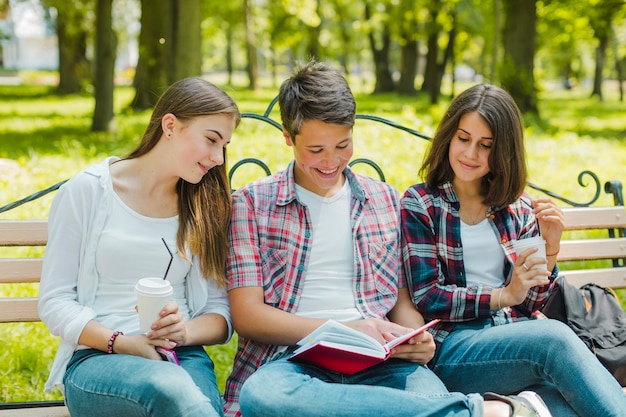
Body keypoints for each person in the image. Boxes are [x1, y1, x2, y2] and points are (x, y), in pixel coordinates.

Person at [222, 60, 552, 417]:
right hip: (292, 359)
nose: (331, 161)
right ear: (288, 137)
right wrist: (344, 329)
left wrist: (416, 339)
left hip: (382, 361)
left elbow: (401, 300)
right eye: (315, 150)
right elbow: (248, 315)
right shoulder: (253, 203)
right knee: (263, 395)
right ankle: (481, 413)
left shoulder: (382, 200)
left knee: (428, 394)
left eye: (343, 145)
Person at [401, 83, 626, 417]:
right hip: (453, 348)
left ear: (503, 150)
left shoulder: (516, 207)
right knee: (554, 339)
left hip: (515, 341)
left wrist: (549, 251)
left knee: (563, 404)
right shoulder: (421, 203)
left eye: (485, 145)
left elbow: (531, 301)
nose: (470, 153)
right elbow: (427, 296)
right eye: (463, 139)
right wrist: (502, 295)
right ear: (449, 136)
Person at [38, 77, 240, 417]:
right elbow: (55, 300)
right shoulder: (87, 193)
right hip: (100, 358)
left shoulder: (204, 205)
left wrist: (184, 330)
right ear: (171, 125)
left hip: (181, 354)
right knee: (178, 396)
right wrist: (122, 342)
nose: (218, 158)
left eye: (224, 146)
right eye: (211, 140)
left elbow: (221, 312)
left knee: (192, 404)